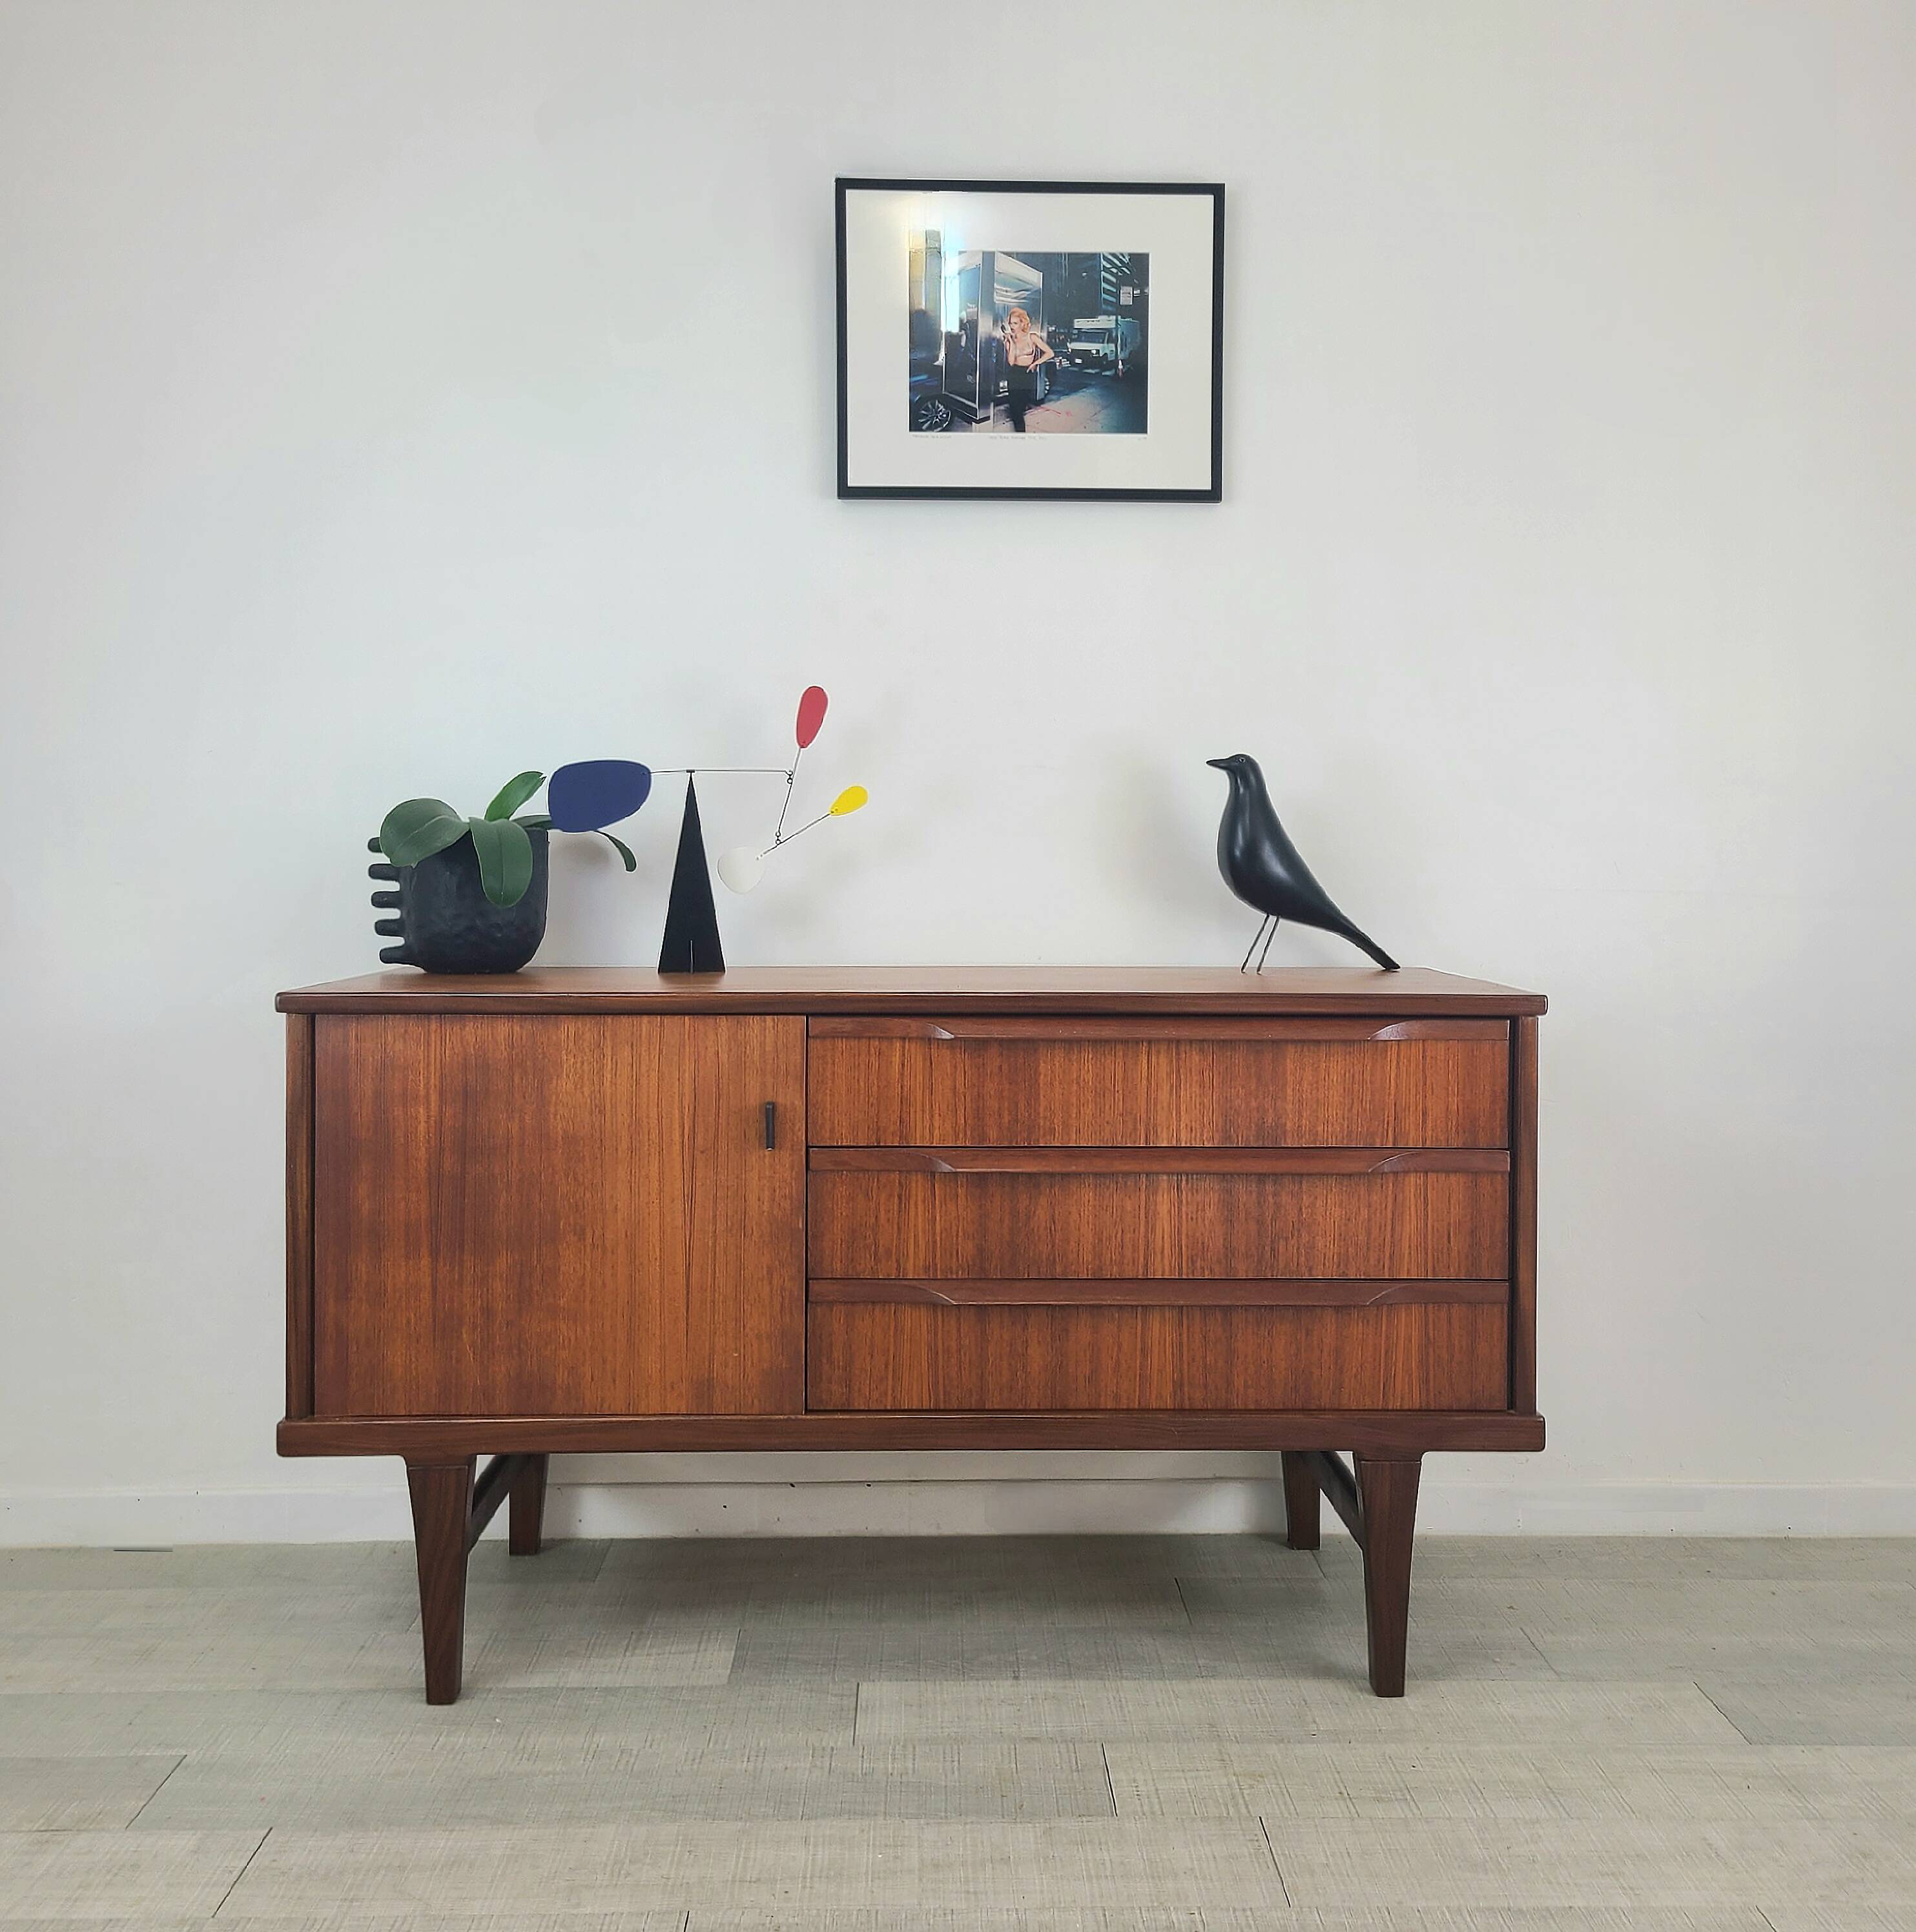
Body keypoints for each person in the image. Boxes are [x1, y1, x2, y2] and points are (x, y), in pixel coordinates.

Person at [998, 307, 1055, 432]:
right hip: (1014, 374)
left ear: (1022, 323)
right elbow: (1011, 362)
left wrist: (1036, 363)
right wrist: (1011, 342)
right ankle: (1021, 435)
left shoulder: (1032, 337)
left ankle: (1020, 432)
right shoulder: (1009, 341)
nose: (1012, 326)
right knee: (1016, 411)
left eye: (1015, 323)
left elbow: (1050, 353)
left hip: (1027, 375)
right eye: (1010, 323)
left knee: (1021, 407)